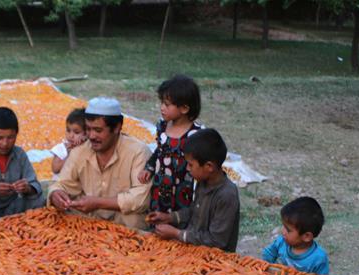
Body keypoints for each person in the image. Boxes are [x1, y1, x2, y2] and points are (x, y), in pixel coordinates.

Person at [47, 97, 151, 230]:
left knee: (134, 219)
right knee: (57, 218)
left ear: (117, 128)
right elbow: (62, 183)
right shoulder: (80, 150)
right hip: (89, 217)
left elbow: (141, 199)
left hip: (122, 219)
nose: (91, 136)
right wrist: (56, 194)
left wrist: (98, 203)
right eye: (88, 129)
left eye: (98, 130)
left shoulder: (138, 152)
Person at [148, 128, 240, 252]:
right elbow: (195, 211)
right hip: (193, 249)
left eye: (191, 164)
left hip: (215, 259)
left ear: (209, 167)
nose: (187, 168)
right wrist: (169, 217)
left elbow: (216, 241)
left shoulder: (226, 195)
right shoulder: (203, 182)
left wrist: (177, 234)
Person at [138, 75, 202, 215]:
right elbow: (159, 151)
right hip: (160, 186)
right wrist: (149, 167)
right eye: (162, 102)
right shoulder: (162, 126)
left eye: (167, 105)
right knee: (158, 217)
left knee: (178, 220)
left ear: (184, 108)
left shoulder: (195, 135)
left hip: (182, 190)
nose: (162, 108)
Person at [262, 196, 329, 275]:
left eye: (288, 230)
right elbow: (268, 253)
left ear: (306, 236)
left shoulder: (318, 258)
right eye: (284, 226)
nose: (283, 232)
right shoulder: (281, 242)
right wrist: (269, 269)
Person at [50, 108, 87, 176]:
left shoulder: (88, 148)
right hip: (61, 185)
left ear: (86, 133)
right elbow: (55, 169)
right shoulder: (62, 148)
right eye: (68, 130)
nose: (71, 135)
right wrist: (70, 154)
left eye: (76, 132)